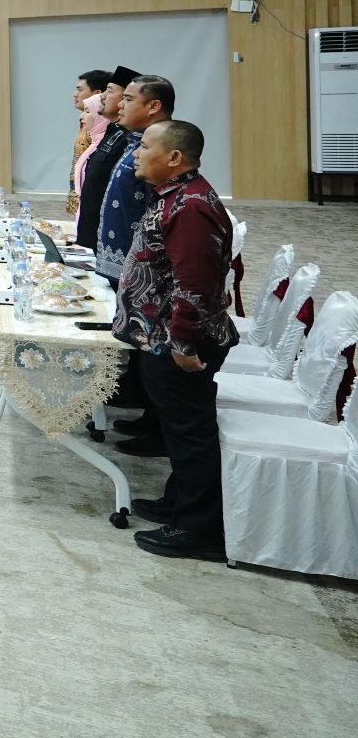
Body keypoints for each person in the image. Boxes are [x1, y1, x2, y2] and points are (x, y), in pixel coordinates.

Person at [112, 120, 235, 561]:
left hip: (180, 343)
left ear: (174, 157)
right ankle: (178, 503)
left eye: (146, 146)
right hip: (164, 338)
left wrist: (182, 344)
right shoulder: (177, 195)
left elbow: (194, 284)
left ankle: (198, 529)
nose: (136, 153)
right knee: (177, 429)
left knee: (190, 434)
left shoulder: (190, 207)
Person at [95, 75, 175, 287]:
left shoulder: (160, 149)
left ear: (153, 106)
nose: (120, 105)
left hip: (140, 273)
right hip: (122, 264)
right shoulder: (135, 141)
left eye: (128, 99)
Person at [75, 66, 139, 250]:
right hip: (92, 233)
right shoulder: (112, 131)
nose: (102, 96)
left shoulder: (133, 139)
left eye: (109, 91)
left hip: (114, 240)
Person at [68, 69, 113, 216]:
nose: (75, 94)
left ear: (98, 94)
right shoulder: (87, 123)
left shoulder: (101, 128)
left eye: (80, 89)